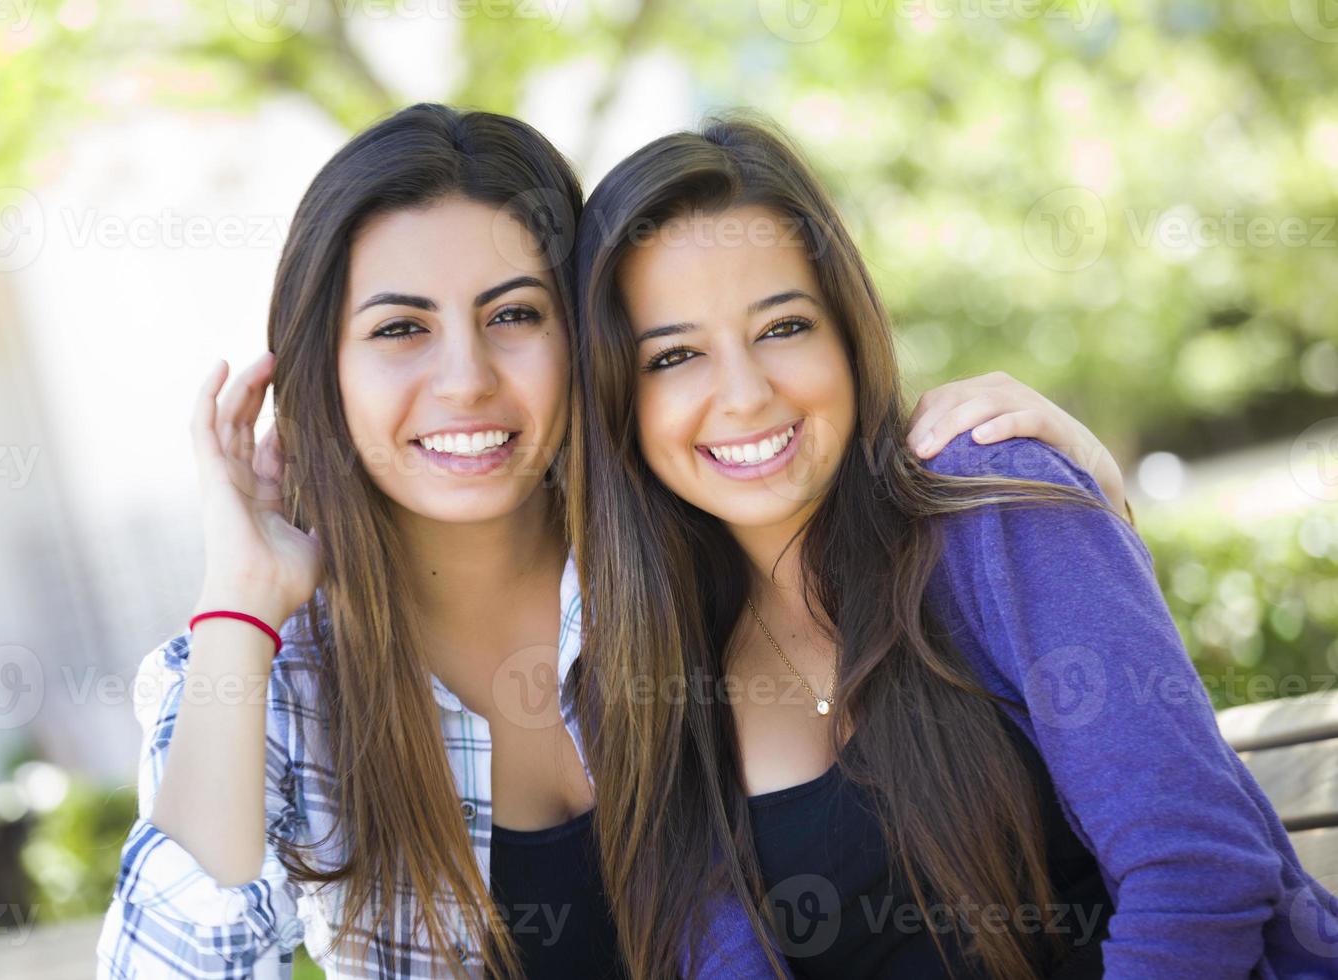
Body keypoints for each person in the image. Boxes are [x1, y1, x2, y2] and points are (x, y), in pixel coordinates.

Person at [95, 103, 1130, 979]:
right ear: (321, 369)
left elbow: (1016, 610)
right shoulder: (278, 677)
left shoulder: (696, 545)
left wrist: (1087, 480)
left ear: (585, 335)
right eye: (400, 328)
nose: (464, 378)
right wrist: (239, 598)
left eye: (514, 314)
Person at [569, 116, 1338, 979]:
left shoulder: (984, 497)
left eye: (783, 327)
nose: (745, 395)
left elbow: (1201, 872)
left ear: (847, 331)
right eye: (674, 356)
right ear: (614, 399)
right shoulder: (633, 677)